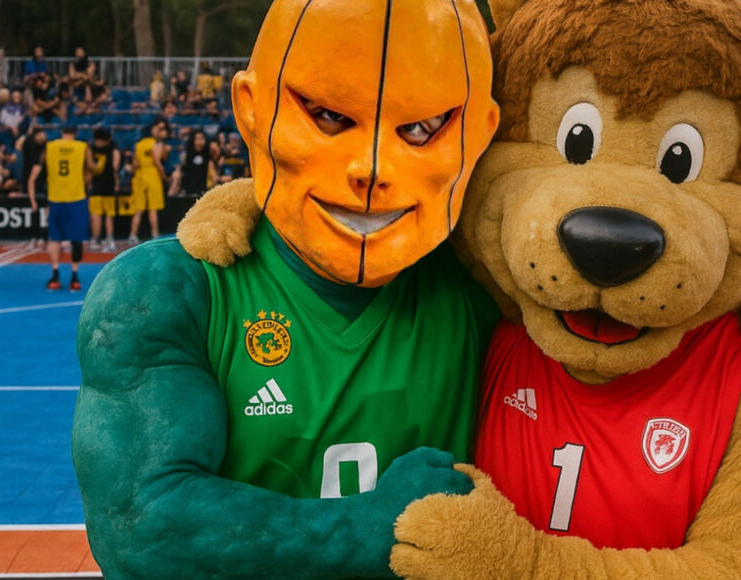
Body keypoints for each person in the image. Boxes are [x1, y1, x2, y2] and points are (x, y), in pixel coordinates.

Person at [73, 1, 500, 577]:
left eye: (421, 129)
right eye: (329, 116)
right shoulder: (170, 292)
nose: (371, 167)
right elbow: (139, 526)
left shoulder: (494, 288)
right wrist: (374, 527)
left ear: (482, 132)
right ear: (251, 108)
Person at [28, 126, 93, 290]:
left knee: (55, 238)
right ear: (75, 134)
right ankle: (75, 276)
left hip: (55, 198)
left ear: (62, 133)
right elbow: (92, 168)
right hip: (76, 197)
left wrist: (32, 193)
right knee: (77, 238)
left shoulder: (50, 147)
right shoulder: (83, 147)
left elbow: (36, 172)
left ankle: (55, 274)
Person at [128, 119, 169, 243]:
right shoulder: (156, 144)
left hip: (139, 177)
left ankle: (133, 235)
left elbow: (134, 164)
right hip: (153, 176)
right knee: (153, 209)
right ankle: (155, 234)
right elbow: (158, 162)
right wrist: (164, 176)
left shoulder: (138, 145)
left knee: (138, 209)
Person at [88, 128, 120, 251]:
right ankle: (96, 239)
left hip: (108, 185)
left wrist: (116, 183)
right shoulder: (93, 149)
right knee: (96, 215)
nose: (98, 142)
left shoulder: (112, 150)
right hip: (97, 186)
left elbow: (115, 169)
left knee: (108, 215)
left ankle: (109, 239)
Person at [173, 129, 216, 196]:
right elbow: (179, 169)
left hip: (203, 192)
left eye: (201, 139)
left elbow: (213, 174)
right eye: (197, 139)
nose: (199, 142)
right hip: (188, 192)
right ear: (192, 140)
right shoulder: (186, 154)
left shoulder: (208, 154)